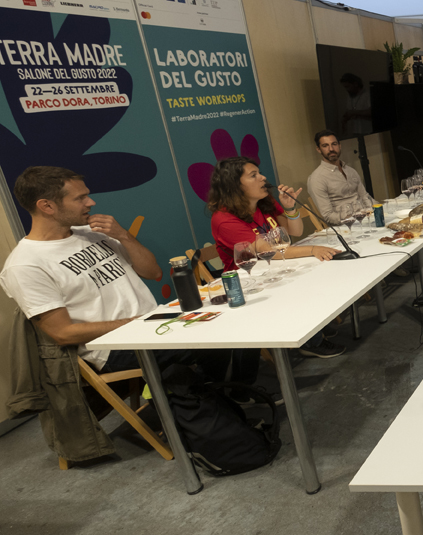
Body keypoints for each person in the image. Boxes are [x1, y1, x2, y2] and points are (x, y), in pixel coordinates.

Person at [0, 166, 260, 387]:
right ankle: (214, 399)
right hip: (115, 347)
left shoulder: (92, 234)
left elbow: (153, 273)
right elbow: (63, 333)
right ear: (46, 206)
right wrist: (136, 322)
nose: (90, 203)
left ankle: (214, 396)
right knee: (219, 338)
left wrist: (123, 235)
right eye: (80, 198)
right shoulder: (25, 265)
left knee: (234, 320)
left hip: (153, 323)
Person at [207, 157, 344, 358]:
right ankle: (310, 340)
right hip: (247, 282)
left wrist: (289, 208)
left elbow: (293, 233)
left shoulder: (265, 202)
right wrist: (313, 249)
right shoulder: (224, 219)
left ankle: (315, 326)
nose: (263, 177)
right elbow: (266, 250)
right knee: (301, 280)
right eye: (254, 175)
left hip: (274, 267)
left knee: (314, 273)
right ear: (234, 185)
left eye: (259, 172)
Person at [307, 129, 374, 225]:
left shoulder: (350, 171)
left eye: (334, 144)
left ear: (339, 145)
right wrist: (353, 218)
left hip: (366, 218)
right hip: (345, 226)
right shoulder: (317, 179)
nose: (331, 149)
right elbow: (328, 216)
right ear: (318, 149)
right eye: (325, 146)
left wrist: (380, 209)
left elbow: (365, 197)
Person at [338, 72, 372, 137]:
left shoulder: (367, 95)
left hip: (368, 131)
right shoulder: (350, 96)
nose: (346, 89)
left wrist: (353, 113)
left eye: (348, 87)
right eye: (345, 87)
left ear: (355, 84)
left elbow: (371, 112)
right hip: (355, 131)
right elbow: (349, 111)